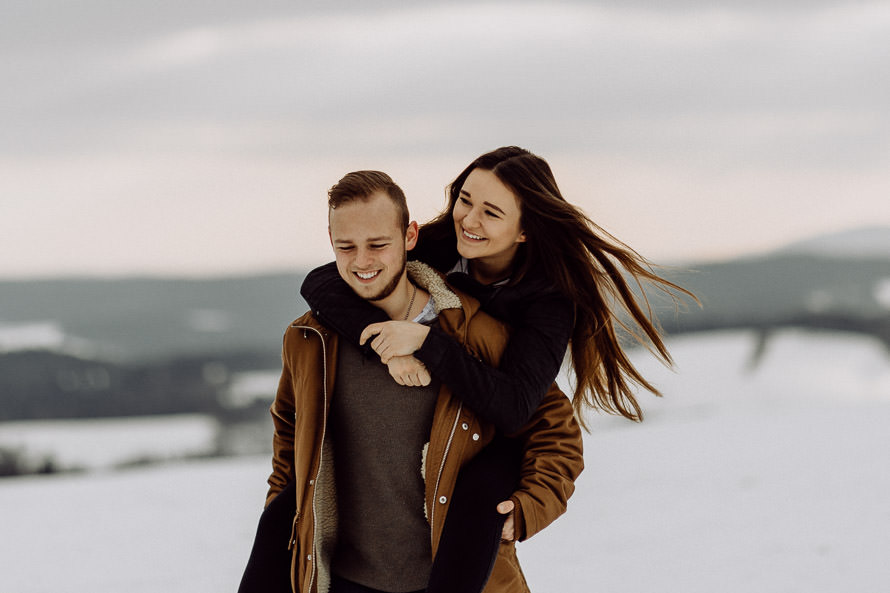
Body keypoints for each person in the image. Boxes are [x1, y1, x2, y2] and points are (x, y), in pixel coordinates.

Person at [299, 146, 696, 591]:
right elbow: (320, 281)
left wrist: (428, 344)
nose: (468, 220)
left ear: (524, 230)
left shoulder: (548, 301)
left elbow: (517, 409)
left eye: (491, 213)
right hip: (441, 426)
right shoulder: (441, 245)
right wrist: (385, 342)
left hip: (492, 435)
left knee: (484, 489)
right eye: (464, 200)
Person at [244, 170, 583, 593]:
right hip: (344, 581)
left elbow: (557, 434)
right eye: (346, 247)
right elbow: (289, 445)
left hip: (457, 579)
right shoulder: (309, 340)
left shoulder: (474, 332)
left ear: (410, 236)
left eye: (378, 245)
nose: (362, 261)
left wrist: (527, 508)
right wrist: (283, 517)